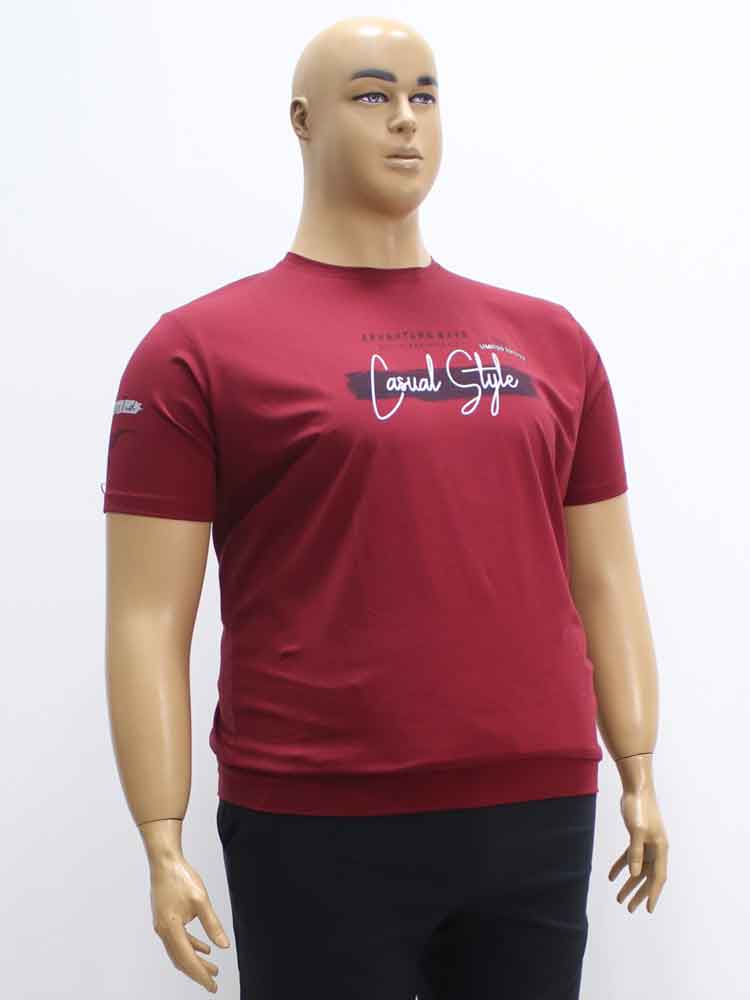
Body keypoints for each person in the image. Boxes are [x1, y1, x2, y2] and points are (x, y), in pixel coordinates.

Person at [102, 15, 669, 999]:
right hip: (315, 817)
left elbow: (608, 577)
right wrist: (162, 836)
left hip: (536, 809)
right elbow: (147, 616)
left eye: (424, 95)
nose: (406, 119)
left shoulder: (551, 342)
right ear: (303, 120)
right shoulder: (197, 351)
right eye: (372, 94)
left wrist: (638, 764)